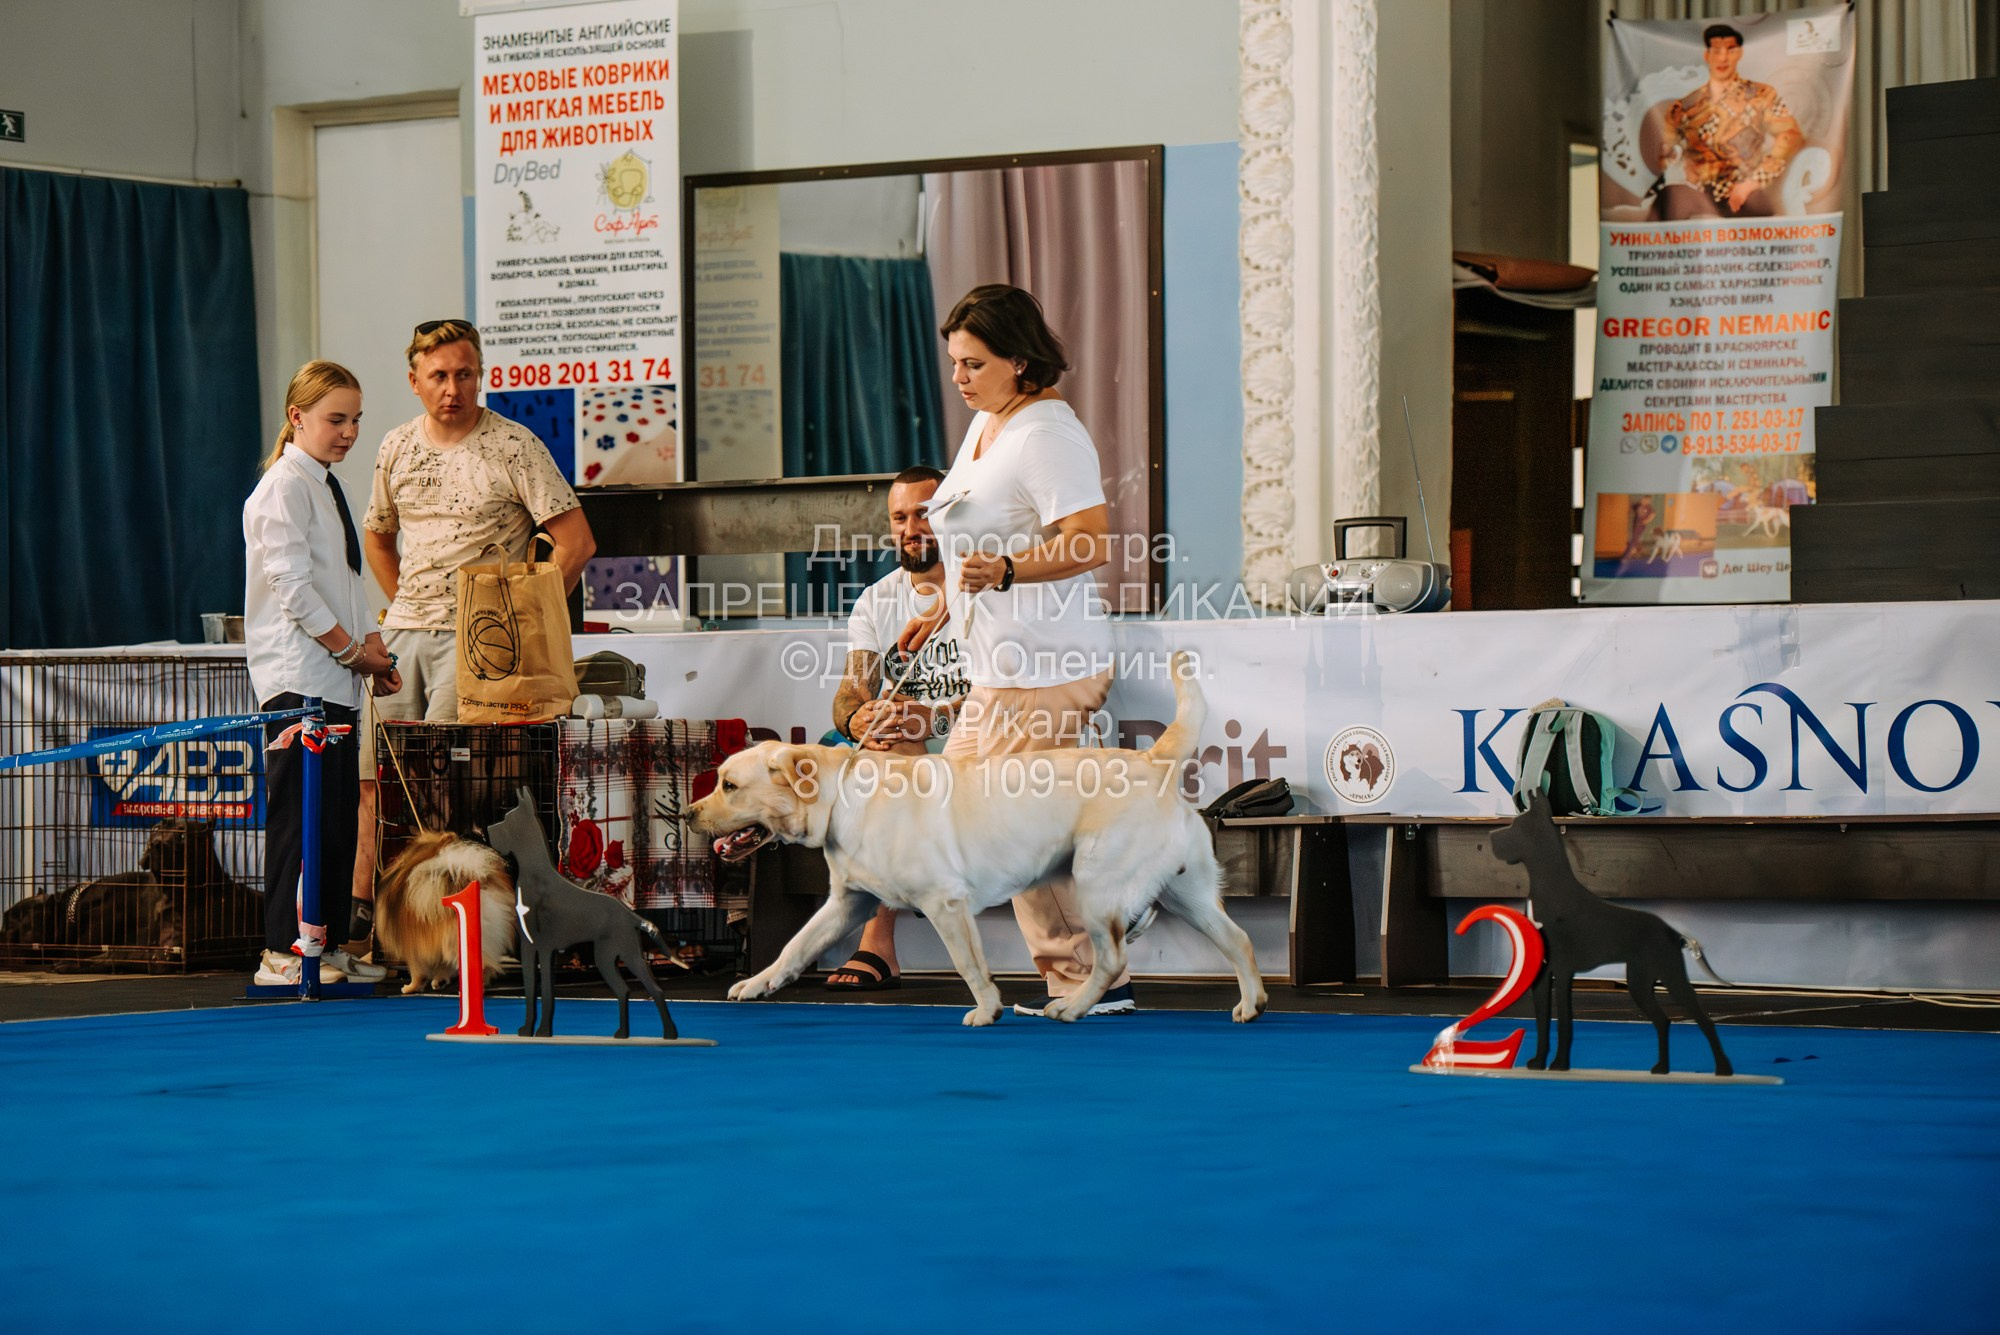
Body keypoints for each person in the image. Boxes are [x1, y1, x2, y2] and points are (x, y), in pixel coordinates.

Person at [903, 284, 1128, 1017]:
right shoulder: (987, 423)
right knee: (962, 816)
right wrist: (943, 607)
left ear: (1020, 360)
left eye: (973, 364)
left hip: (1046, 669)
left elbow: (1090, 541)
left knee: (1007, 825)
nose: (959, 378)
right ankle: (1095, 957)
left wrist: (1004, 571)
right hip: (1000, 669)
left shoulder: (1046, 434)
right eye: (954, 363)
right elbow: (976, 535)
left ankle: (1091, 978)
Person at [243, 361, 398, 987]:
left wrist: (374, 649)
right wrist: (352, 651)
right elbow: (293, 589)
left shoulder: (329, 486)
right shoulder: (283, 487)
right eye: (337, 419)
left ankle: (324, 946)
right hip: (296, 680)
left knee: (335, 819)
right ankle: (280, 952)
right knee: (297, 820)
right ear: (297, 417)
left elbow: (348, 584)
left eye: (356, 419)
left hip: (336, 680)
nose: (349, 432)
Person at [362, 320, 596, 722]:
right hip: (403, 631)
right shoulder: (396, 444)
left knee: (449, 760)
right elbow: (378, 538)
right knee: (381, 758)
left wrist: (524, 622)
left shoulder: (515, 444)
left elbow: (577, 543)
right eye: (439, 376)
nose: (453, 390)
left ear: (479, 377)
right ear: (414, 382)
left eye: (464, 375)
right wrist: (406, 604)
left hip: (479, 638)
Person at [822, 465, 969, 991]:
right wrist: (857, 717)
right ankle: (878, 941)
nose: (911, 529)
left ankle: (876, 943)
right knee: (882, 746)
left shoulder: (982, 589)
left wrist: (935, 717)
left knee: (892, 755)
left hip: (973, 737)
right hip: (906, 749)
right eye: (900, 518)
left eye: (923, 514)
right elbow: (850, 692)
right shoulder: (877, 600)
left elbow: (1008, 696)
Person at [1658, 24, 1804, 220]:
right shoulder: (1685, 106)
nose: (1723, 58)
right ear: (1707, 55)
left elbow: (1791, 137)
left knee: (1755, 205)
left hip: (1743, 191)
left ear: (1740, 53)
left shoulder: (1761, 95)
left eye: (1730, 49)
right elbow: (1667, 151)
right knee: (1666, 199)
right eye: (1716, 51)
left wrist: (1753, 182)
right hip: (1699, 193)